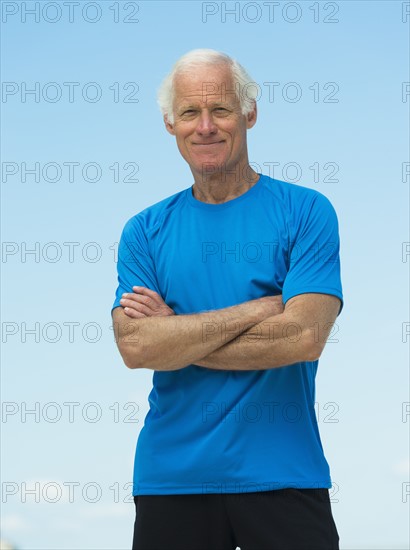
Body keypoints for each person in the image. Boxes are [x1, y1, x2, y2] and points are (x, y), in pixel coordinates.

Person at [112, 48, 343, 550]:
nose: (206, 127)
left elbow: (302, 336)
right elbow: (136, 348)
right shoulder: (144, 232)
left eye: (220, 110)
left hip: (284, 474)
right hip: (171, 480)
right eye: (190, 113)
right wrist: (261, 309)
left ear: (250, 114)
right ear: (170, 124)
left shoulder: (306, 212)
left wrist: (174, 333)